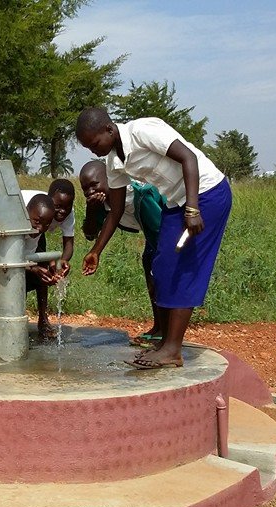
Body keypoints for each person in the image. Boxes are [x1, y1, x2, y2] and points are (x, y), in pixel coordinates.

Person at [75, 108, 232, 369]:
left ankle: (172, 349)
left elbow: (189, 157)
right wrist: (96, 251)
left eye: (94, 143)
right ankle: (166, 343)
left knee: (184, 268)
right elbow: (115, 211)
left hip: (206, 193)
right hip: (176, 201)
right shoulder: (114, 162)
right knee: (162, 267)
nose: (94, 150)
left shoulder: (143, 131)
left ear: (109, 130)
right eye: (88, 148)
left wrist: (193, 209)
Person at [79, 160, 166, 347]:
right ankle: (158, 327)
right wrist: (91, 209)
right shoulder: (101, 203)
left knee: (159, 274)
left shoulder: (139, 194)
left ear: (111, 179)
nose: (90, 192)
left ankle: (166, 333)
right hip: (153, 234)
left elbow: (162, 230)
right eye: (85, 189)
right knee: (150, 268)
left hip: (170, 228)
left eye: (94, 185)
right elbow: (90, 233)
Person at [0, 192, 59, 340]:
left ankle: (43, 321)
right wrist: (32, 268)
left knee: (43, 272)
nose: (40, 228)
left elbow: (25, 255)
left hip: (21, 251)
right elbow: (2, 257)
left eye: (47, 224)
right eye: (37, 221)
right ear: (25, 213)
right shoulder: (8, 224)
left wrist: (42, 269)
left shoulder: (38, 225)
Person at [0, 178, 76, 272]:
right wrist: (31, 268)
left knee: (34, 257)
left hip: (15, 218)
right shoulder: (27, 208)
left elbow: (68, 243)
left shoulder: (63, 212)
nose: (63, 211)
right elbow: (4, 246)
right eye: (57, 207)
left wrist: (61, 261)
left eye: (67, 207)